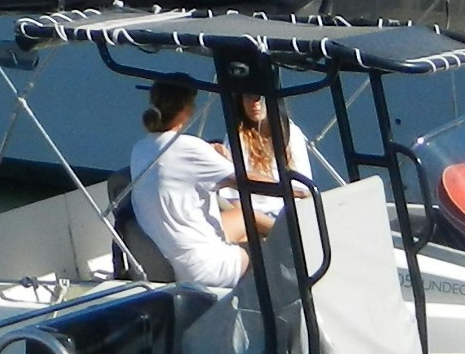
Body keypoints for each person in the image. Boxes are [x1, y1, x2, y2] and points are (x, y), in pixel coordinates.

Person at [122, 77, 246, 291]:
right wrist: (297, 189)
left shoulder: (140, 148)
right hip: (205, 268)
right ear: (184, 110)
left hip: (172, 260)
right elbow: (248, 181)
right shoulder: (188, 146)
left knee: (245, 218)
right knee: (269, 250)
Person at [222, 90, 329, 235]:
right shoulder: (236, 138)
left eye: (259, 97)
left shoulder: (291, 133)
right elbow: (233, 199)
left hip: (291, 216)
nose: (254, 104)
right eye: (248, 96)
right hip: (255, 219)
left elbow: (304, 190)